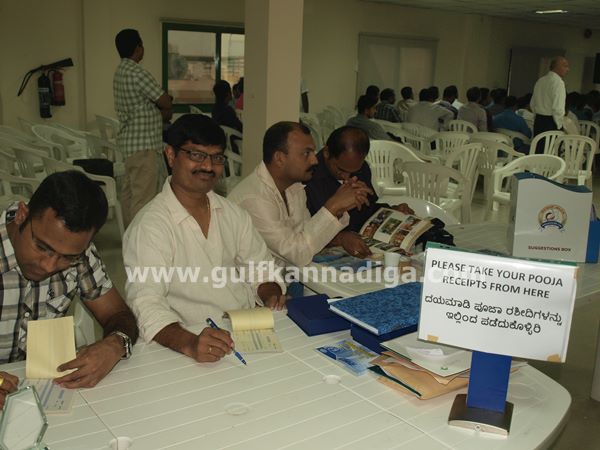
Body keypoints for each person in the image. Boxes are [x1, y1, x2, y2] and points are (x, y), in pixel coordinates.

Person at [123, 114, 286, 363]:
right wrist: (190, 343)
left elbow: (261, 269)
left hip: (245, 332)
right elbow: (145, 302)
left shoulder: (233, 214)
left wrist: (270, 293)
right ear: (170, 155)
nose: (208, 166)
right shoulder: (150, 226)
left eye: (217, 158)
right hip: (184, 342)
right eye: (196, 155)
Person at [0, 171, 139, 396]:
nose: (49, 266)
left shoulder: (79, 253)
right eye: (42, 247)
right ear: (22, 215)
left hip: (43, 390)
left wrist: (115, 344)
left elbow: (117, 314)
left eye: (67, 257)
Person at [229, 122, 372, 267]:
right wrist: (334, 205)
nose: (314, 160)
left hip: (288, 273)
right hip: (254, 280)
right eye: (306, 153)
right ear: (279, 158)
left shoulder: (294, 187)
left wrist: (340, 208)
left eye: (313, 152)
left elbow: (307, 237)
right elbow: (298, 254)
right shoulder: (255, 199)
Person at [305, 126, 414, 258]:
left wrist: (390, 212)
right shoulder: (307, 176)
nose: (346, 177)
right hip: (319, 250)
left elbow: (368, 209)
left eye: (353, 171)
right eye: (340, 169)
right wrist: (340, 238)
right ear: (327, 153)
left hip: (361, 242)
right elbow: (303, 231)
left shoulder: (362, 169)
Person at [113, 28, 172, 226]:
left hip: (130, 144)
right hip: (144, 145)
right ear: (138, 48)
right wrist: (163, 106)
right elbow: (164, 100)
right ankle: (141, 239)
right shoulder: (138, 73)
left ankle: (130, 235)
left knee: (129, 194)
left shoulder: (120, 71)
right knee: (143, 198)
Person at [530, 56, 570, 137]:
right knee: (552, 146)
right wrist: (559, 125)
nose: (568, 69)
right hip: (551, 122)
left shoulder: (540, 81)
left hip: (538, 121)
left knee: (538, 144)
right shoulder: (558, 83)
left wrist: (538, 116)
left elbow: (532, 104)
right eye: (565, 66)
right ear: (557, 67)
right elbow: (558, 108)